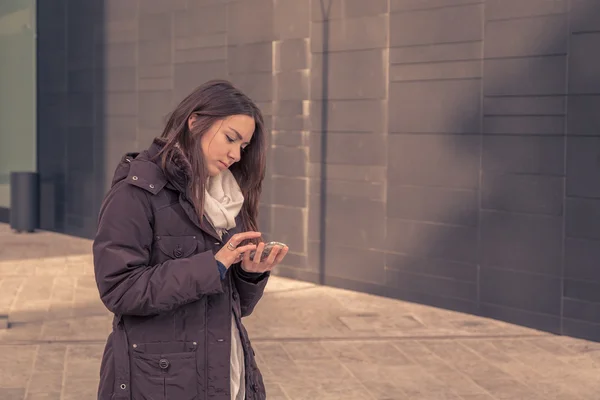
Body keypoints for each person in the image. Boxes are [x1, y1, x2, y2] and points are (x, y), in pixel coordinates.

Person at [92, 79, 288, 400]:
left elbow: (228, 306)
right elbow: (119, 290)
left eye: (243, 146)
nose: (236, 154)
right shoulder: (136, 192)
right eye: (230, 138)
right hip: (159, 382)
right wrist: (213, 266)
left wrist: (248, 274)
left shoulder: (227, 198)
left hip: (226, 370)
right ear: (195, 122)